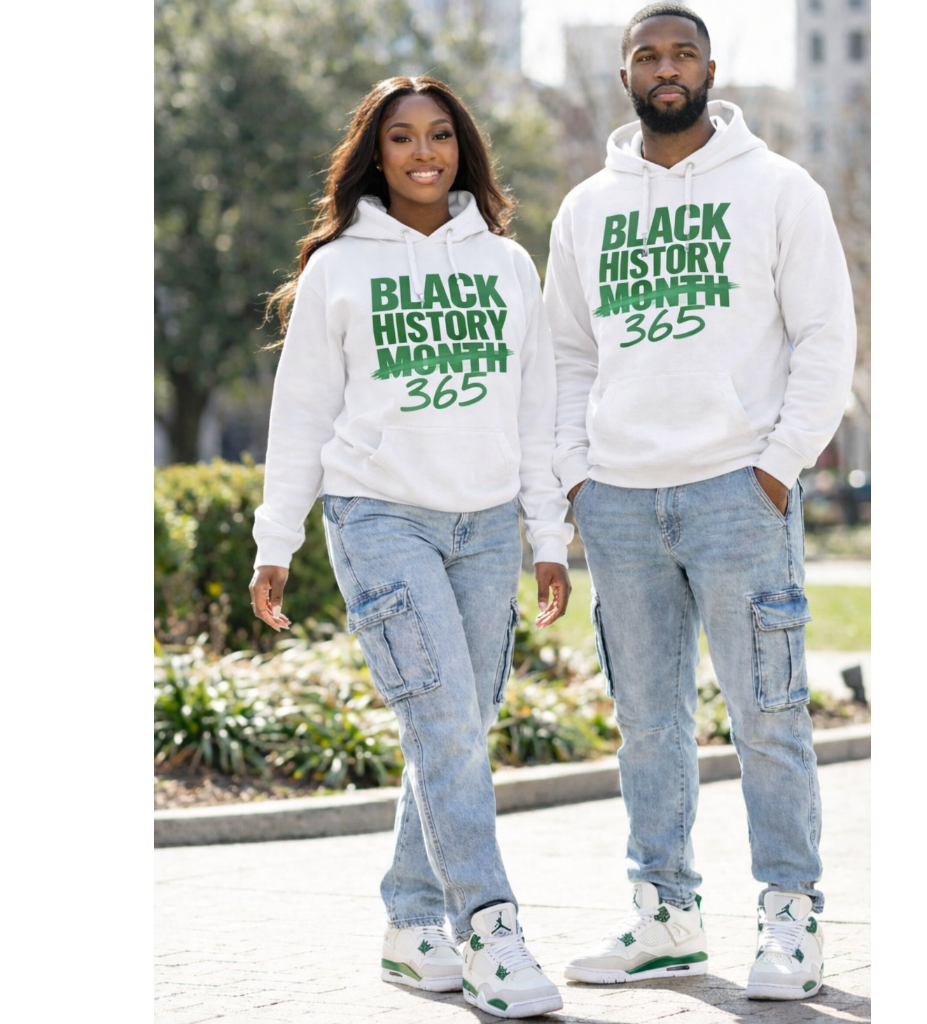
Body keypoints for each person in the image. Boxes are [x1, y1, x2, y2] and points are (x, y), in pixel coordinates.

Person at [542, 4, 856, 1002]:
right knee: (647, 723)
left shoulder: (778, 189)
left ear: (710, 68)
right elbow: (563, 356)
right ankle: (663, 915)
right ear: (624, 72)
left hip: (737, 492)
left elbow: (824, 338)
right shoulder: (588, 206)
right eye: (646, 54)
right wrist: (579, 479)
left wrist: (775, 466)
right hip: (622, 502)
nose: (664, 68)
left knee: (767, 716)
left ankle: (790, 919)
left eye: (681, 53)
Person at [250, 75, 571, 1019]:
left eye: (439, 135)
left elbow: (538, 411)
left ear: (461, 149)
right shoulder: (341, 268)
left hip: (484, 529)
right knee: (441, 725)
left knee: (455, 731)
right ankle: (491, 929)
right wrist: (279, 540)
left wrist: (546, 535)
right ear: (375, 153)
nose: (423, 152)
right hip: (379, 516)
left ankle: (409, 920)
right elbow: (300, 413)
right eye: (402, 137)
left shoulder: (509, 265)